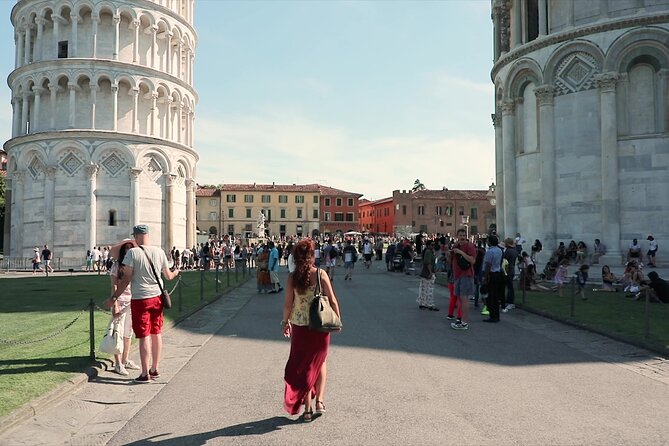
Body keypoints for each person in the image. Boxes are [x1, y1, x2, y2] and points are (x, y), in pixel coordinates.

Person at [106, 224, 180, 383]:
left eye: (135, 236)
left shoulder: (132, 253)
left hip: (140, 298)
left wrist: (114, 298)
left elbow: (126, 279)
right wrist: (176, 272)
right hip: (157, 297)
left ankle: (145, 373)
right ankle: (155, 368)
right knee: (156, 332)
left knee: (144, 335)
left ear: (137, 236)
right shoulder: (159, 252)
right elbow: (168, 276)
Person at [282, 239, 342, 421]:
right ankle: (320, 402)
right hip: (320, 325)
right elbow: (332, 300)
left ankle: (307, 409)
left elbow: (287, 304)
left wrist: (285, 322)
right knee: (320, 362)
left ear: (295, 257)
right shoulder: (321, 274)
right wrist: (337, 321)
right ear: (311, 256)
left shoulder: (292, 277)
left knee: (304, 366)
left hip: (300, 327)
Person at [108, 239, 141, 376]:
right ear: (123, 251)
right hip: (120, 301)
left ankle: (125, 359)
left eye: (130, 248)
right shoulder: (117, 266)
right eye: (126, 248)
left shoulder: (133, 266)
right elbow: (114, 286)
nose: (128, 250)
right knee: (118, 333)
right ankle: (117, 363)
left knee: (128, 333)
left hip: (131, 301)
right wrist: (114, 303)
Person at [449, 228, 476, 330]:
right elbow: (451, 261)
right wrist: (449, 254)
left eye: (464, 235)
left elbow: (472, 260)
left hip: (466, 275)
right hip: (457, 275)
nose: (462, 237)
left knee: (464, 299)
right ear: (457, 236)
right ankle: (460, 319)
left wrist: (460, 252)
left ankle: (464, 322)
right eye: (460, 235)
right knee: (460, 299)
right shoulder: (455, 246)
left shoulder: (470, 246)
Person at [481, 234, 504, 323]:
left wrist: (485, 277)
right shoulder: (499, 250)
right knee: (495, 295)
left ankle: (493, 315)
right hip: (497, 273)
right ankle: (496, 315)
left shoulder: (490, 252)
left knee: (491, 296)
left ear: (490, 242)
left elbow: (488, 265)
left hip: (491, 274)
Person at [417, 240, 438, 311]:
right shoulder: (429, 252)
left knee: (423, 288)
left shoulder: (427, 251)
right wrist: (430, 272)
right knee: (429, 289)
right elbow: (428, 263)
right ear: (428, 245)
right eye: (432, 245)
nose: (433, 246)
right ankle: (430, 304)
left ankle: (423, 303)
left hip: (424, 272)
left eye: (433, 245)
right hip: (428, 272)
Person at [501, 238, 517, 312]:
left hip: (508, 270)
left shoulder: (508, 251)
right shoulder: (514, 250)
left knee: (509, 287)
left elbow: (504, 261)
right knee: (508, 286)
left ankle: (511, 302)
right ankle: (508, 301)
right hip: (511, 269)